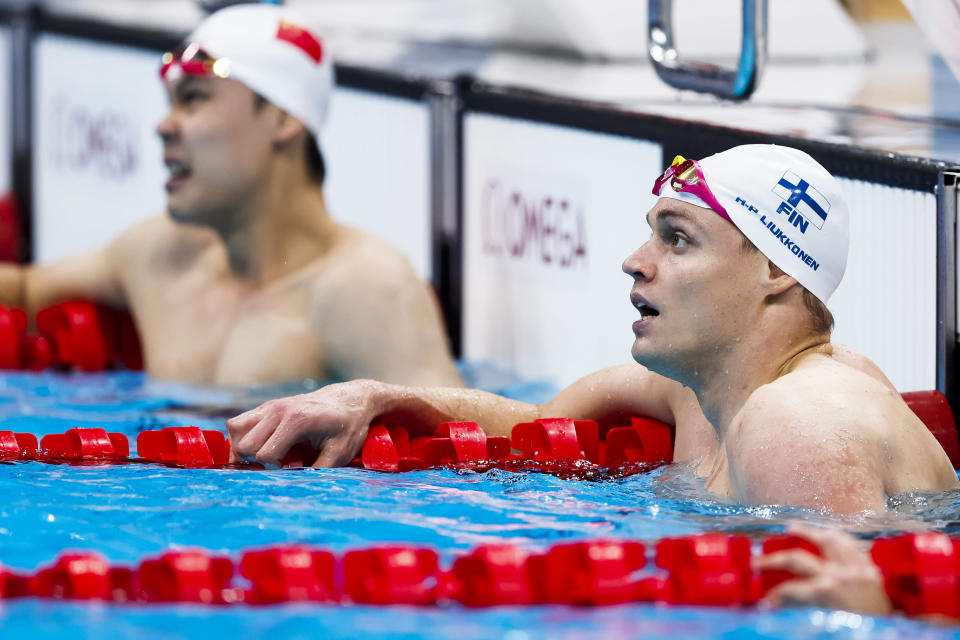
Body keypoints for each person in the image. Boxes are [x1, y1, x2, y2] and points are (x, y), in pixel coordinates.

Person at [226, 144, 959, 513]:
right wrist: (373, 398)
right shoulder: (702, 392)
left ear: (776, 272)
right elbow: (536, 424)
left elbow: (864, 605)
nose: (634, 264)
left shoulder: (794, 418)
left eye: (677, 239)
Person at [0, 4, 462, 387]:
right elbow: (21, 292)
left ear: (282, 119)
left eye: (195, 98)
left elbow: (460, 464)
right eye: (170, 103)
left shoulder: (363, 290)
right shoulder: (159, 254)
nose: (164, 125)